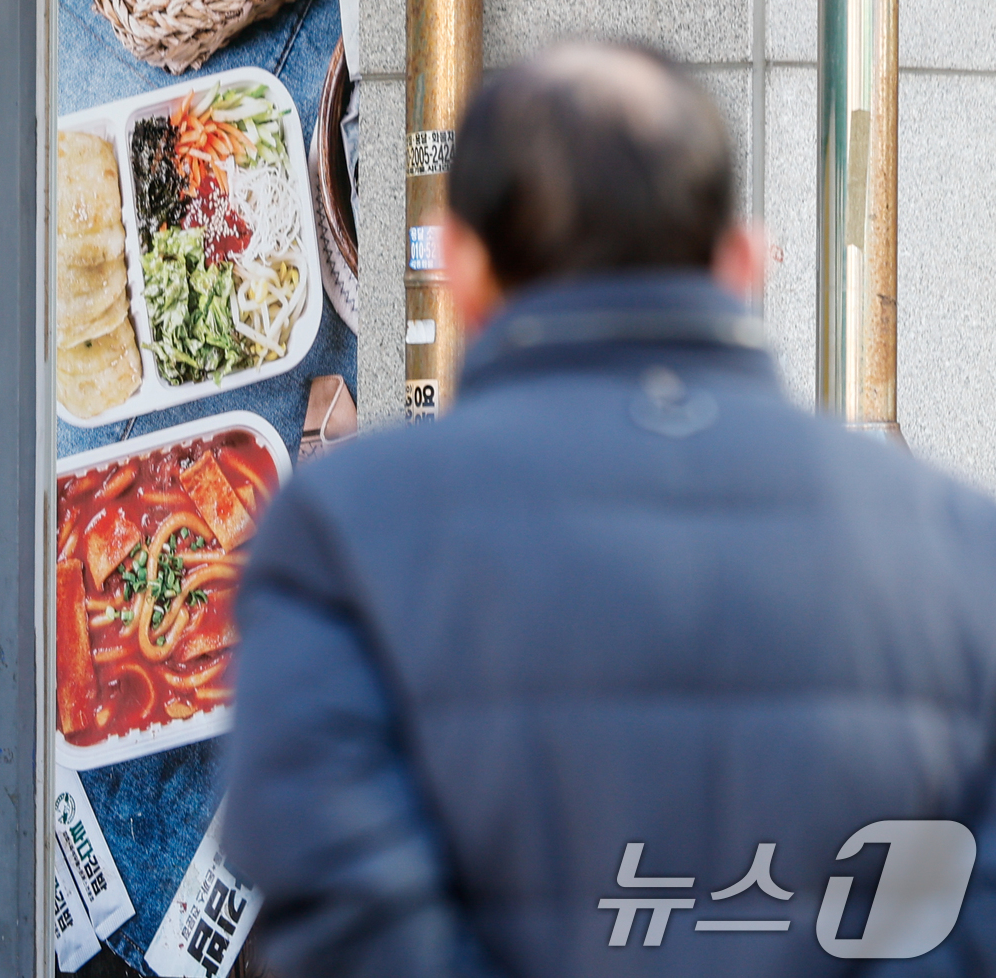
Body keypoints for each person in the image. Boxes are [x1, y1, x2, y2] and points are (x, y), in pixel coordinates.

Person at [224, 42, 996, 978]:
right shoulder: (964, 553)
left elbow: (351, 938)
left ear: (463, 274)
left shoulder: (337, 537)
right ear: (743, 261)